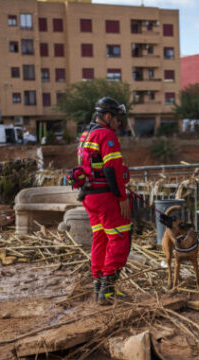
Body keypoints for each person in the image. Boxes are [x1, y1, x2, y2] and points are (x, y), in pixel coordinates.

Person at [77, 97, 131, 305]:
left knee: (100, 239)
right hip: (106, 197)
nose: (118, 123)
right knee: (119, 239)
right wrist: (122, 197)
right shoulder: (106, 135)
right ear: (108, 117)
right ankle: (108, 291)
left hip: (89, 196)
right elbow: (111, 169)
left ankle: (98, 288)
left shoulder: (85, 135)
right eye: (117, 119)